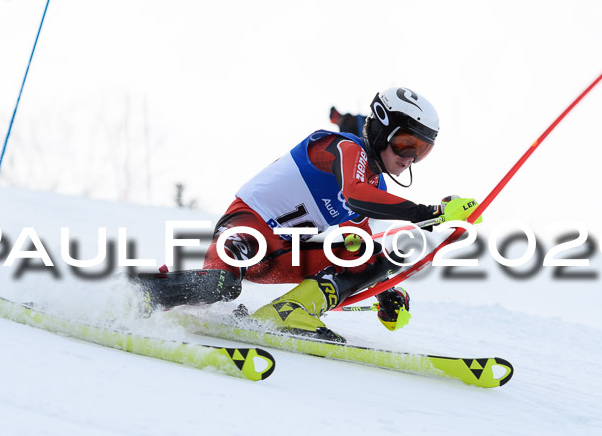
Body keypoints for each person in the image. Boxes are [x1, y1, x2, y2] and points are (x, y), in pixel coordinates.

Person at [136, 87, 480, 342]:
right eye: (406, 144)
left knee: (375, 253)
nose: (410, 158)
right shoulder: (342, 148)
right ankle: (137, 293)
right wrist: (431, 212)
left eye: (422, 151)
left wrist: (385, 290)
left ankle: (291, 312)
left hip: (282, 256)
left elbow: (356, 246)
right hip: (248, 230)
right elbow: (355, 195)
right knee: (220, 285)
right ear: (380, 129)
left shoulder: (379, 189)